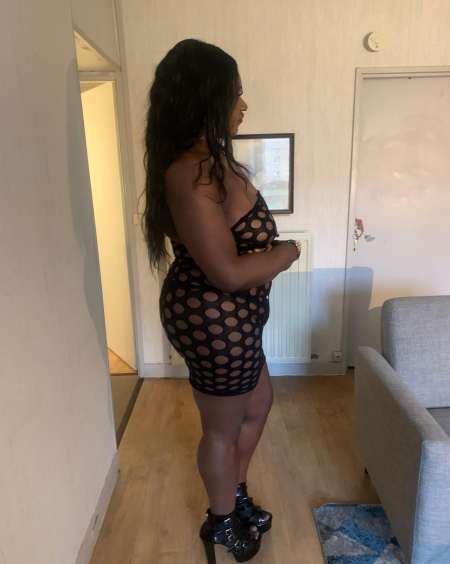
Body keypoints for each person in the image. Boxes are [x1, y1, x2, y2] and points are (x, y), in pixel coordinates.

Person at [140, 38, 301, 563]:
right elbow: (228, 273)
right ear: (206, 99)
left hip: (236, 317)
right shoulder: (188, 174)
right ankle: (222, 521)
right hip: (212, 317)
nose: (244, 106)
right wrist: (287, 253)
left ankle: (234, 493)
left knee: (259, 402)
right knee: (222, 427)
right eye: (236, 95)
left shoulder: (213, 163)